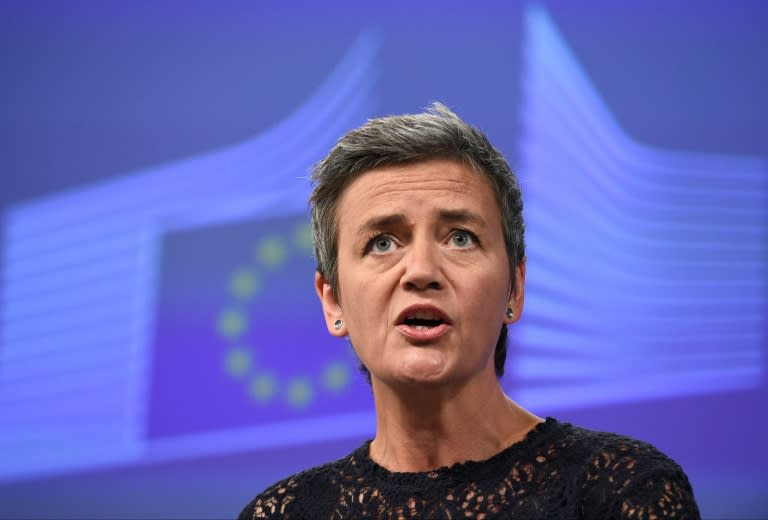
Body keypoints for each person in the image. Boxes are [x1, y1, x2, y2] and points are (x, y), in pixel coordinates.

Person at [239, 103, 700, 519]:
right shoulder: (282, 513)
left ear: (514, 290)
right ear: (333, 301)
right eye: (382, 243)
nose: (421, 271)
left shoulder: (622, 491)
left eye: (460, 237)